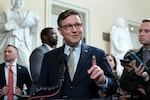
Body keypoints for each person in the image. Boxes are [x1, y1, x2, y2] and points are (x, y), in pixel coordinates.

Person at [37, 9, 118, 99]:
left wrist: (103, 80)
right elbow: (41, 89)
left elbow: (113, 87)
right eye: (68, 26)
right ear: (60, 31)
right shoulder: (49, 57)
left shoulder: (97, 54)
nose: (74, 30)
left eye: (77, 25)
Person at [0, 0, 40, 70]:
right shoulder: (7, 13)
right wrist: (7, 26)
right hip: (11, 39)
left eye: (22, 1)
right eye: (18, 1)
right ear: (13, 2)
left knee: (26, 63)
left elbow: (33, 30)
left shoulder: (27, 14)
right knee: (6, 63)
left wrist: (36, 21)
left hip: (22, 42)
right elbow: (1, 26)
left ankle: (28, 80)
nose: (20, 2)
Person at [119, 18, 150, 100]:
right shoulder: (132, 56)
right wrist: (138, 87)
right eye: (140, 31)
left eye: (146, 31)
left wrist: (146, 80)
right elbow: (123, 82)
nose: (141, 34)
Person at [29, 27, 58, 94]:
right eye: (53, 34)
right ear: (45, 37)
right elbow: (36, 76)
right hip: (41, 93)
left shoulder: (57, 52)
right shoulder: (39, 52)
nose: (56, 36)